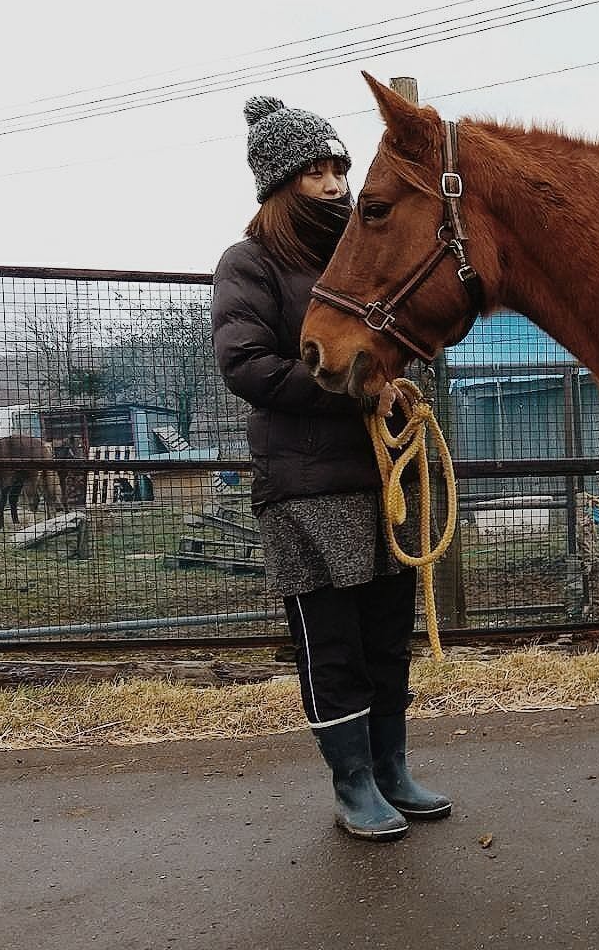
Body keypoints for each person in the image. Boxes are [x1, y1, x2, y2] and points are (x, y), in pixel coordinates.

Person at [211, 95, 450, 842]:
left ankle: (391, 769)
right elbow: (244, 364)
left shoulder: (363, 254)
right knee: (331, 642)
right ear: (279, 184)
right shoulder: (249, 263)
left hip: (382, 483)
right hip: (306, 488)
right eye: (313, 171)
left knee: (386, 636)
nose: (333, 182)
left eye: (337, 166)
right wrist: (352, 390)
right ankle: (352, 783)